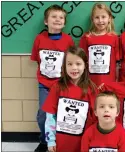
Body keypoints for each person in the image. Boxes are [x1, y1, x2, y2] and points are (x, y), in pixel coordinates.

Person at [30, 4, 74, 152]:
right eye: (54, 17)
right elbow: (38, 59)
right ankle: (44, 141)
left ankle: (58, 142)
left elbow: (71, 62)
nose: (58, 20)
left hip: (62, 84)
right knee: (43, 114)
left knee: (62, 114)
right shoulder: (39, 39)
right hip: (44, 84)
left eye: (61, 17)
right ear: (46, 21)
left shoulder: (68, 40)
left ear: (65, 22)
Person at [42, 46, 97, 152]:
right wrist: (51, 140)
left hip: (83, 143)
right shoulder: (57, 87)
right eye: (69, 64)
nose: (74, 68)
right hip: (61, 142)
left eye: (78, 64)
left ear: (85, 65)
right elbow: (50, 116)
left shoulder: (92, 89)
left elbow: (95, 118)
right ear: (64, 66)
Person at [79, 3, 121, 86]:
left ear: (109, 18)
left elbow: (117, 63)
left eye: (103, 17)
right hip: (90, 82)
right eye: (97, 17)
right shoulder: (87, 37)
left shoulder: (114, 37)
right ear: (92, 19)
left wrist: (117, 81)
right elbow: (81, 60)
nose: (100, 21)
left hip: (109, 82)